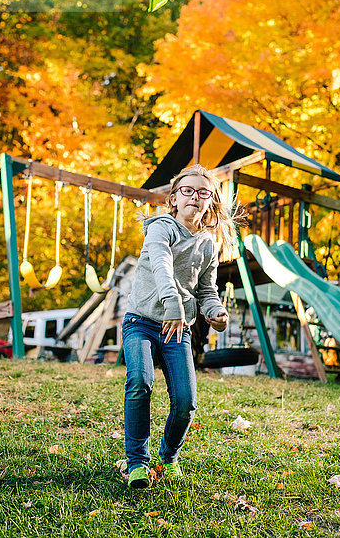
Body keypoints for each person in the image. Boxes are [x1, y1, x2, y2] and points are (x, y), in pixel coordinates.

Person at [122, 164, 246, 488]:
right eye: (187, 190)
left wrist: (217, 312)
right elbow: (162, 268)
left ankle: (168, 456)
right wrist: (174, 306)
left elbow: (206, 290)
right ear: (174, 198)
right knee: (139, 380)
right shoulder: (160, 228)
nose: (195, 196)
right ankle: (137, 462)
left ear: (210, 202)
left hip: (178, 329)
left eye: (203, 192)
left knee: (186, 400)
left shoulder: (208, 245)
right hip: (142, 321)